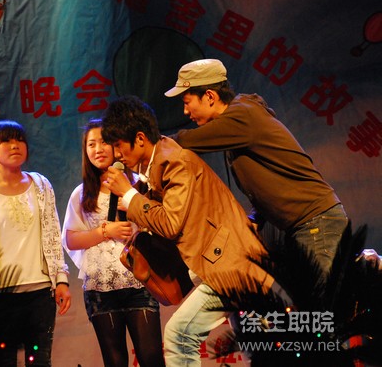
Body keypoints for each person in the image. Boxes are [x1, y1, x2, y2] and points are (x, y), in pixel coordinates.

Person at [101, 96, 276, 367]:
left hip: (232, 265)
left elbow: (171, 223)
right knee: (260, 349)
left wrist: (130, 196)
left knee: (180, 334)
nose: (116, 155)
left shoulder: (174, 162)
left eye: (118, 145)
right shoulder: (157, 165)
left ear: (139, 139)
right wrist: (133, 197)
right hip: (226, 264)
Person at [164, 58, 349, 284]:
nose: (185, 111)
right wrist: (254, 218)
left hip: (317, 224)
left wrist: (154, 146)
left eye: (187, 102)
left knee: (319, 302)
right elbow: (271, 180)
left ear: (210, 96)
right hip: (307, 226)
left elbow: (187, 140)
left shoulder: (243, 116)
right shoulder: (239, 121)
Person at [0, 120, 71, 367]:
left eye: (19, 140)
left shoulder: (41, 185)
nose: (14, 146)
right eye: (6, 141)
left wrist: (61, 280)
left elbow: (53, 235)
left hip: (39, 293)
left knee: (39, 361)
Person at [62, 119, 166, 367]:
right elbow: (71, 239)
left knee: (151, 357)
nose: (98, 149)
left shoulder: (139, 184)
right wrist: (105, 231)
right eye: (91, 144)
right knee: (115, 361)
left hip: (139, 281)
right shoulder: (82, 193)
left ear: (116, 146)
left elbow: (163, 223)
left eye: (104, 142)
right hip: (101, 287)